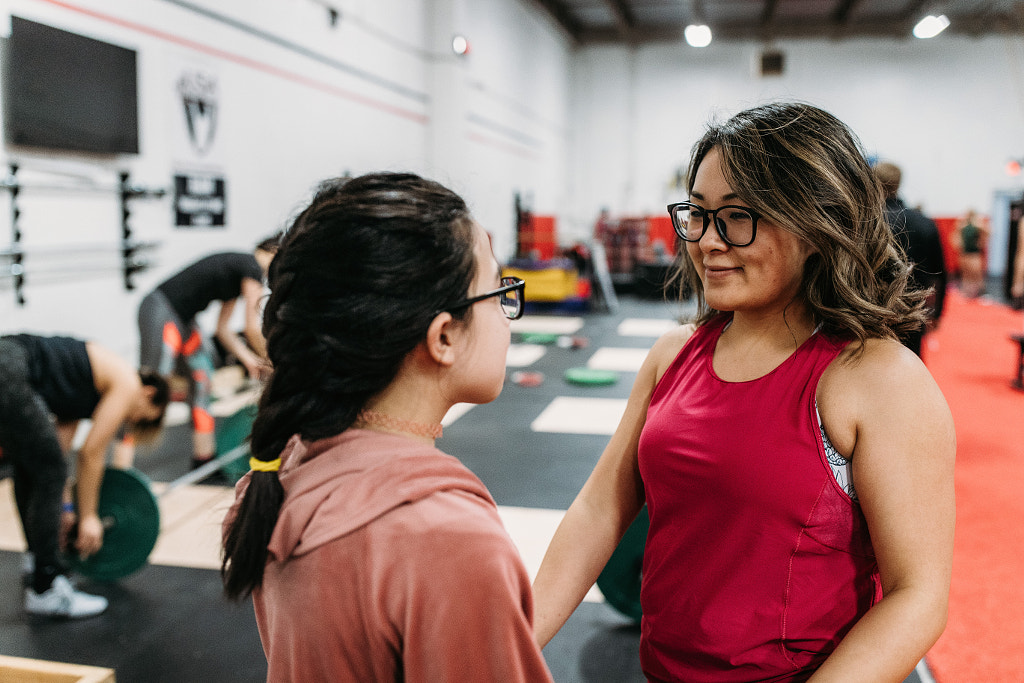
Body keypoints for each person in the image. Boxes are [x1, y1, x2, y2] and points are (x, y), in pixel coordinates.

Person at [532, 102, 956, 681]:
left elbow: (918, 595)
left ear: (816, 224)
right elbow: (600, 508)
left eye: (737, 216)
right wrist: (511, 639)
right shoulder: (672, 356)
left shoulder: (876, 378)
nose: (707, 241)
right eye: (698, 214)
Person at [220, 172, 551, 681]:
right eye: (498, 292)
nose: (509, 317)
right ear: (443, 337)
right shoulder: (453, 542)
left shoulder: (281, 478)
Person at [0, 333, 169, 618]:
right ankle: (46, 588)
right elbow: (90, 454)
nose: (130, 421)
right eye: (142, 418)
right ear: (150, 394)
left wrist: (66, 509)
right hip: (11, 367)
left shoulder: (83, 388)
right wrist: (89, 517)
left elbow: (59, 452)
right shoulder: (127, 383)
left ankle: (37, 561)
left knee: (33, 467)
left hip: (9, 362)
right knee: (46, 468)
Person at [137, 236, 278, 469]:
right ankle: (121, 465)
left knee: (202, 380)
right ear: (272, 252)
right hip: (161, 309)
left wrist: (250, 361)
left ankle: (203, 461)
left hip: (185, 321)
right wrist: (275, 362)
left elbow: (223, 330)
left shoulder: (239, 274)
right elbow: (252, 329)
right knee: (152, 385)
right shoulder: (252, 267)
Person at [875, 161, 948, 357]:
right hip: (913, 310)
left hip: (870, 311)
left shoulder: (865, 221)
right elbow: (940, 274)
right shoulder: (924, 223)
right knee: (910, 361)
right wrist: (938, 313)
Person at [951, 209, 989, 298]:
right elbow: (955, 236)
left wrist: (979, 225)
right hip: (965, 252)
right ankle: (967, 291)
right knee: (965, 273)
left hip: (974, 253)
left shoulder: (978, 225)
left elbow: (987, 233)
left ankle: (980, 291)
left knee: (976, 273)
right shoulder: (963, 225)